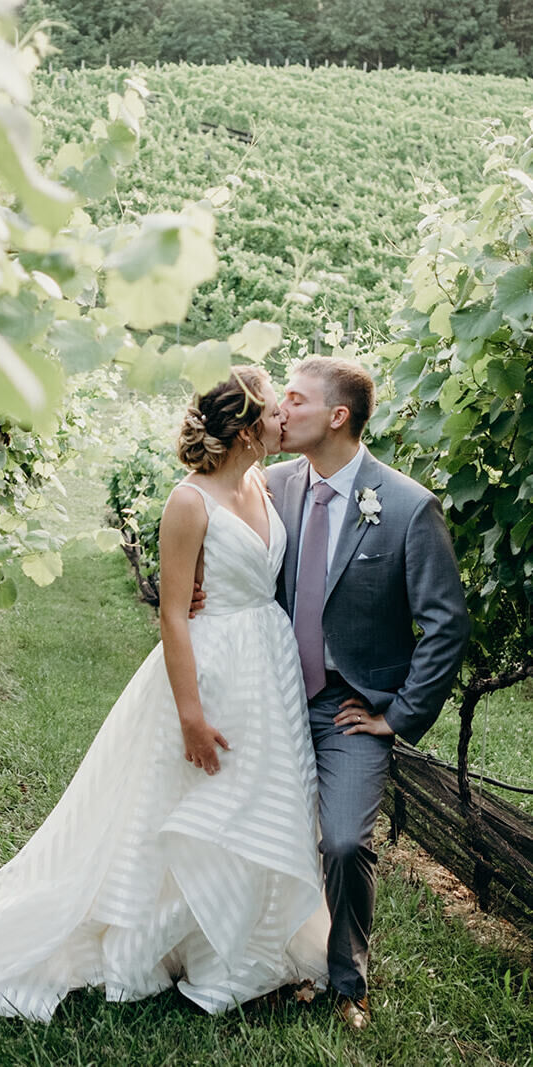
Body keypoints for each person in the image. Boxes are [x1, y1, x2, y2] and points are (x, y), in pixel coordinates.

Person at [0, 367, 330, 1020]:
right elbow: (174, 613)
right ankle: (169, 940)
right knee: (197, 804)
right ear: (245, 429)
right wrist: (192, 716)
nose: (285, 420)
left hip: (270, 664)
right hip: (211, 667)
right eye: (273, 413)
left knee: (258, 798)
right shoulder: (189, 501)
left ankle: (239, 948)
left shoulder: (262, 481)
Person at [265, 356, 469, 1030]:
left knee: (346, 841)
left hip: (350, 708)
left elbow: (445, 623)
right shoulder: (268, 487)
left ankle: (348, 980)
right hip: (270, 695)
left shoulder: (408, 506)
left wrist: (398, 714)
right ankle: (271, 962)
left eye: (295, 398)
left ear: (338, 415)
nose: (281, 408)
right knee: (262, 833)